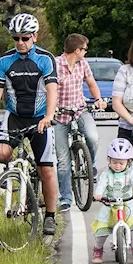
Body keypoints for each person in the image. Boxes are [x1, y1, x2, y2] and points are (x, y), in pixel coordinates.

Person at [0, 13, 61, 236]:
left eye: (25, 38)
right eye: (16, 38)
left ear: (34, 36)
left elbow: (52, 90)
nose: (20, 43)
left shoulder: (45, 59)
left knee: (46, 169)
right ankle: (12, 174)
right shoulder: (5, 61)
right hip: (15, 115)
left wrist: (48, 116)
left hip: (40, 118)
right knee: (0, 153)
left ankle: (51, 216)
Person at [53, 33, 106, 212]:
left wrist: (98, 98)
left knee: (93, 137)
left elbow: (91, 83)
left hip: (79, 110)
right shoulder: (55, 65)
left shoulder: (83, 64)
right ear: (77, 50)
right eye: (84, 49)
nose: (85, 52)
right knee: (62, 161)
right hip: (60, 115)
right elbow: (47, 89)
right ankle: (66, 198)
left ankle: (90, 166)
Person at [91, 138, 133, 264]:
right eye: (114, 162)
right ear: (109, 160)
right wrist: (98, 194)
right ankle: (98, 250)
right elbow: (101, 184)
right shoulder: (107, 174)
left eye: (121, 163)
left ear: (128, 162)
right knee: (102, 229)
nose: (117, 166)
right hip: (110, 205)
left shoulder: (130, 173)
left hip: (126, 205)